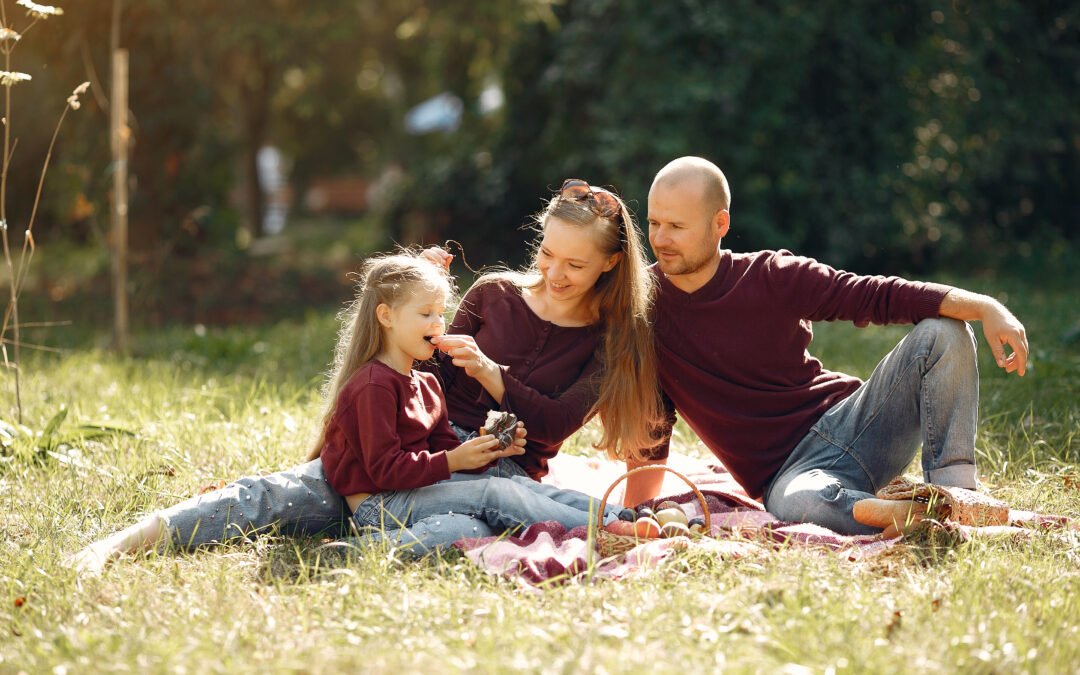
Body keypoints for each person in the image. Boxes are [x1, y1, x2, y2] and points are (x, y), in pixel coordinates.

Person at [72, 179, 661, 570]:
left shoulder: (611, 339)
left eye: (575, 264)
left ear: (610, 264)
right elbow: (416, 366)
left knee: (467, 519)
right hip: (410, 441)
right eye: (546, 255)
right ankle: (124, 542)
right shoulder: (494, 292)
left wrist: (491, 374)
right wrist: (418, 301)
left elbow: (556, 421)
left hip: (495, 463)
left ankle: (344, 556)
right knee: (278, 494)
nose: (554, 272)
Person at [622, 156, 1029, 535]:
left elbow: (874, 295)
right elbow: (651, 423)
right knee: (799, 507)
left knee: (945, 331)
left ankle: (958, 497)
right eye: (654, 223)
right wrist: (635, 515)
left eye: (676, 226)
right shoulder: (644, 310)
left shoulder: (771, 276)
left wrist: (985, 306)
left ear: (720, 224)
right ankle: (914, 515)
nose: (660, 238)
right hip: (789, 475)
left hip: (856, 423)